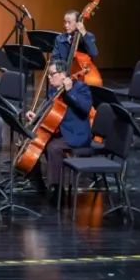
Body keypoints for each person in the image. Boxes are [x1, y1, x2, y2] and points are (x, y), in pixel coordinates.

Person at [25, 60, 93, 200]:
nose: (49, 78)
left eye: (52, 74)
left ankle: (57, 188)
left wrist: (70, 91)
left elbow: (85, 108)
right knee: (31, 140)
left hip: (75, 133)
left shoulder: (81, 88)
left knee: (52, 147)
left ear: (63, 75)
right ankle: (37, 182)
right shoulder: (53, 90)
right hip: (57, 131)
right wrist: (35, 116)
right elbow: (50, 114)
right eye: (48, 75)